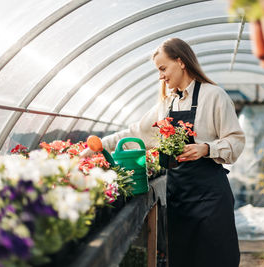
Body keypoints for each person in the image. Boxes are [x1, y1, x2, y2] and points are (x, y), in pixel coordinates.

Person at [101, 38, 245, 267]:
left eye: (163, 68)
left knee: (217, 257)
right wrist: (99, 145)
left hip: (211, 194)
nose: (161, 76)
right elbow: (136, 134)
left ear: (181, 62)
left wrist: (206, 148)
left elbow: (236, 142)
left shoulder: (213, 95)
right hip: (179, 194)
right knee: (183, 258)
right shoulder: (166, 105)